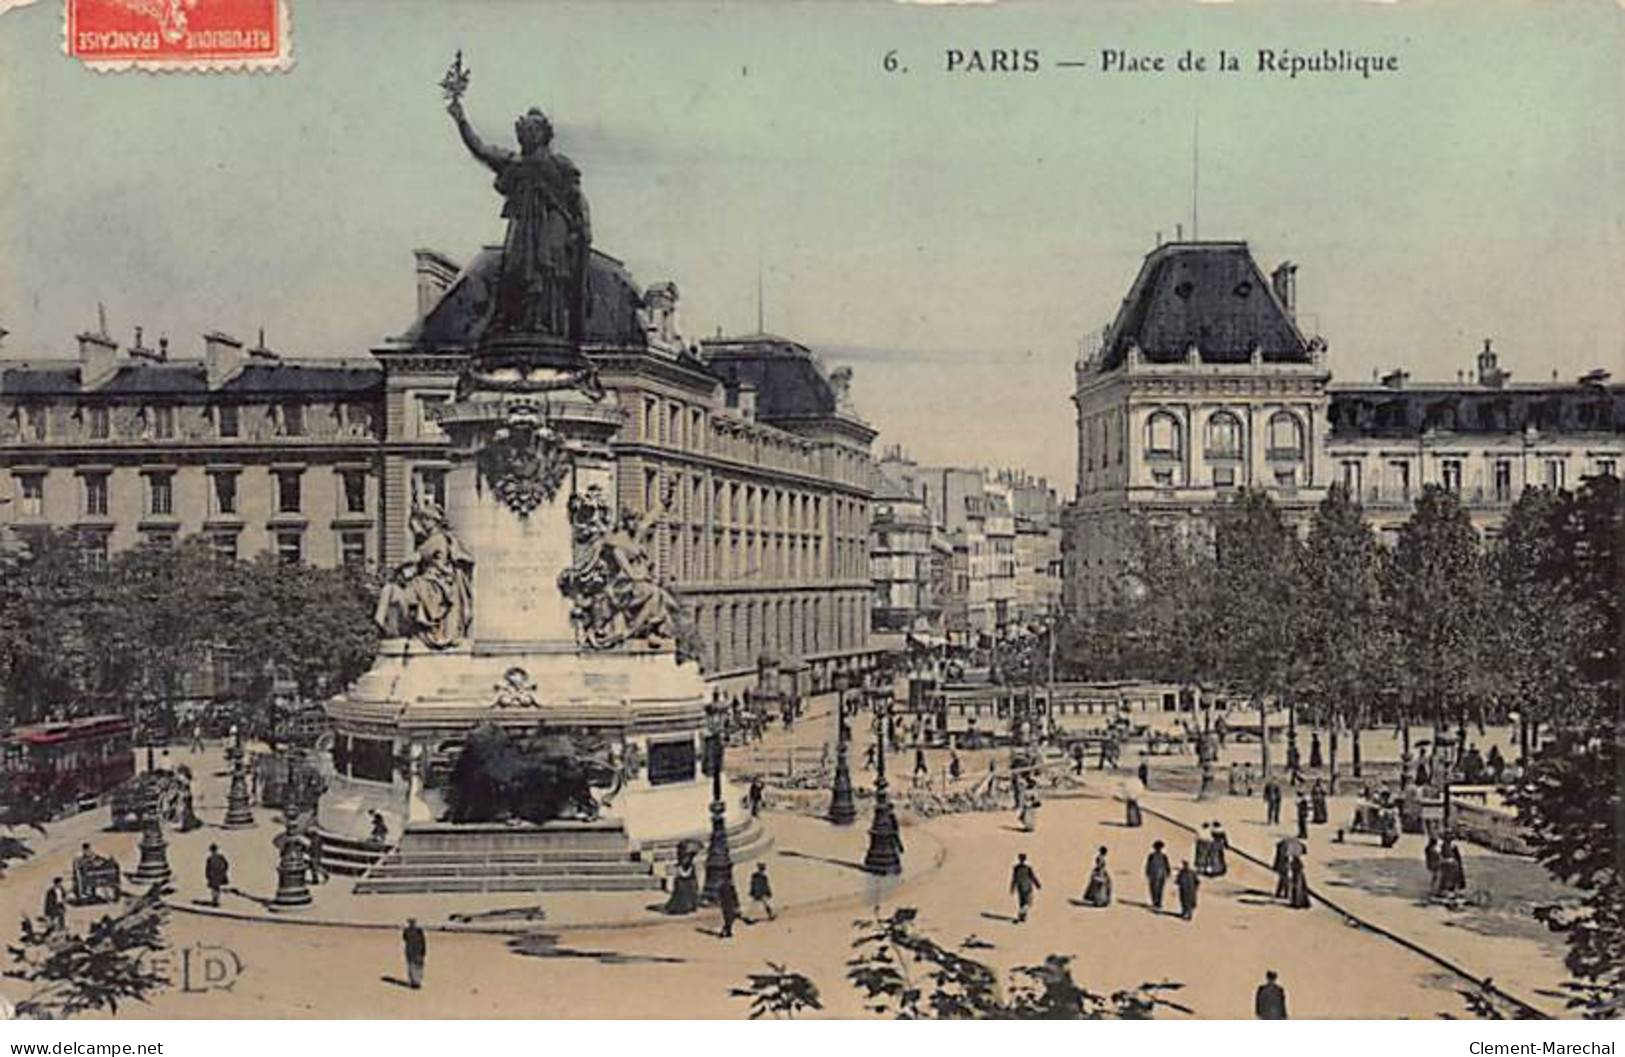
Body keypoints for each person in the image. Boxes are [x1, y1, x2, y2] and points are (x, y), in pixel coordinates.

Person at [663, 844, 700, 914]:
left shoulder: (692, 867)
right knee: (681, 885)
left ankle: (691, 904)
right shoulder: (678, 867)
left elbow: (694, 879)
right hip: (681, 887)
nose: (686, 859)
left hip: (690, 887)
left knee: (692, 884)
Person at [1010, 853, 1041, 923]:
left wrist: (1012, 887)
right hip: (1027, 886)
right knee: (1027, 902)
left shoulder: (1016, 868)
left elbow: (1014, 878)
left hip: (1020, 886)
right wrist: (1037, 884)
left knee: (1022, 902)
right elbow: (1032, 876)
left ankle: (1022, 916)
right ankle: (1022, 915)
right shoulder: (1028, 868)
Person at [1144, 840, 1171, 911]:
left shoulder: (1163, 856)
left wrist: (1168, 873)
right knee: (1154, 889)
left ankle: (1158, 902)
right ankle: (1156, 902)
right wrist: (1147, 872)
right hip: (1154, 875)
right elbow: (1148, 865)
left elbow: (1167, 866)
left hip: (1160, 875)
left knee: (1159, 889)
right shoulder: (1152, 856)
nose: (1158, 849)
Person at [402, 918, 427, 989]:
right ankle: (415, 982)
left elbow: (404, 938)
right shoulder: (415, 931)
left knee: (415, 966)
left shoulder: (411, 931)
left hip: (414, 951)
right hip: (414, 951)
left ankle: (415, 982)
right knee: (415, 966)